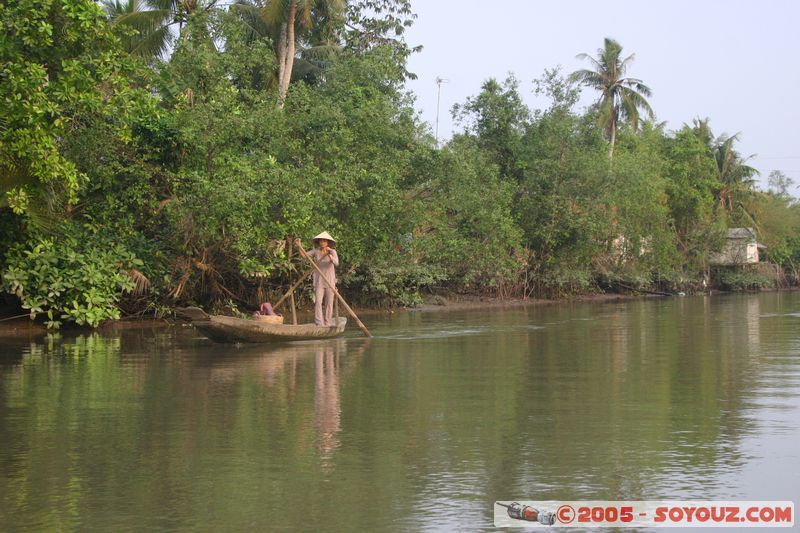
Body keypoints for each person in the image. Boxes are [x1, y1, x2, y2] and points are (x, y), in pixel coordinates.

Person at [308, 231, 339, 326]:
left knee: (329, 304)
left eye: (324, 241)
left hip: (330, 281)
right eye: (321, 241)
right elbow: (304, 255)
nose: (322, 242)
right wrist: (298, 245)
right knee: (318, 302)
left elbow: (336, 263)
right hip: (319, 281)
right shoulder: (315, 251)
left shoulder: (332, 251)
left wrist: (329, 255)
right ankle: (319, 323)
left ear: (327, 243)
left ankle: (327, 322)